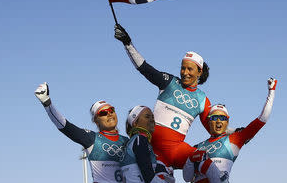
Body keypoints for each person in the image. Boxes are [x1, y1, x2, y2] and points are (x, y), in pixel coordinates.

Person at [114, 24, 216, 170]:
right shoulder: (169, 82)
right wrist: (127, 44)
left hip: (177, 151)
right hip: (154, 151)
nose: (185, 72)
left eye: (190, 69)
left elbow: (215, 128)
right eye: (182, 68)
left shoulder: (202, 99)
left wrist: (236, 133)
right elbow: (144, 68)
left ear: (199, 72)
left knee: (208, 165)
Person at [183, 78, 278, 183]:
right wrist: (190, 160)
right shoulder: (197, 147)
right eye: (214, 118)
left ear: (227, 122)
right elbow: (187, 178)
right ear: (209, 121)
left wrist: (271, 92)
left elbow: (262, 119)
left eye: (223, 118)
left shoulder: (235, 139)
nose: (219, 121)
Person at [34, 82, 129, 183]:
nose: (109, 114)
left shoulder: (127, 141)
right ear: (96, 120)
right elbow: (65, 126)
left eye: (111, 110)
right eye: (103, 113)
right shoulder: (91, 138)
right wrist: (47, 103)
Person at [120, 105, 176, 183]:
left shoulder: (133, 141)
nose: (152, 120)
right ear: (135, 123)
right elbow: (146, 170)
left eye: (152, 117)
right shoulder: (139, 139)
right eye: (147, 117)